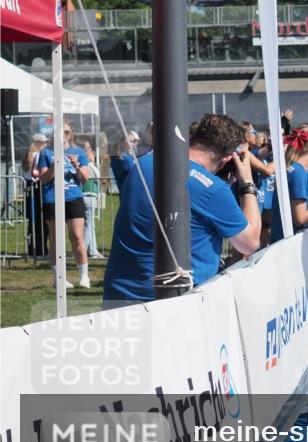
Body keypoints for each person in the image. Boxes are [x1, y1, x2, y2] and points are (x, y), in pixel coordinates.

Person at [103, 114, 262, 306]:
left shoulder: (144, 162)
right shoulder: (212, 189)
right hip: (173, 302)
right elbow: (250, 243)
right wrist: (247, 183)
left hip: (119, 294)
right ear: (227, 158)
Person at [36, 123, 91, 288]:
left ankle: (84, 276)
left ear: (70, 134)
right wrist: (55, 164)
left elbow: (85, 178)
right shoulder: (46, 152)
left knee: (77, 236)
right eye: (60, 131)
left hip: (73, 197)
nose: (64, 134)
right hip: (52, 198)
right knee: (56, 240)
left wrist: (76, 165)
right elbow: (44, 178)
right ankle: (58, 278)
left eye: (67, 131)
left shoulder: (79, 152)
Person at [80, 140, 103, 259]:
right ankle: (82, 250)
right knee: (88, 225)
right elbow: (97, 176)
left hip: (89, 195)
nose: (90, 151)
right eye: (86, 148)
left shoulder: (86, 163)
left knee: (90, 224)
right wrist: (92, 161)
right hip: (88, 194)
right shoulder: (86, 164)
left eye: (89, 148)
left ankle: (93, 250)